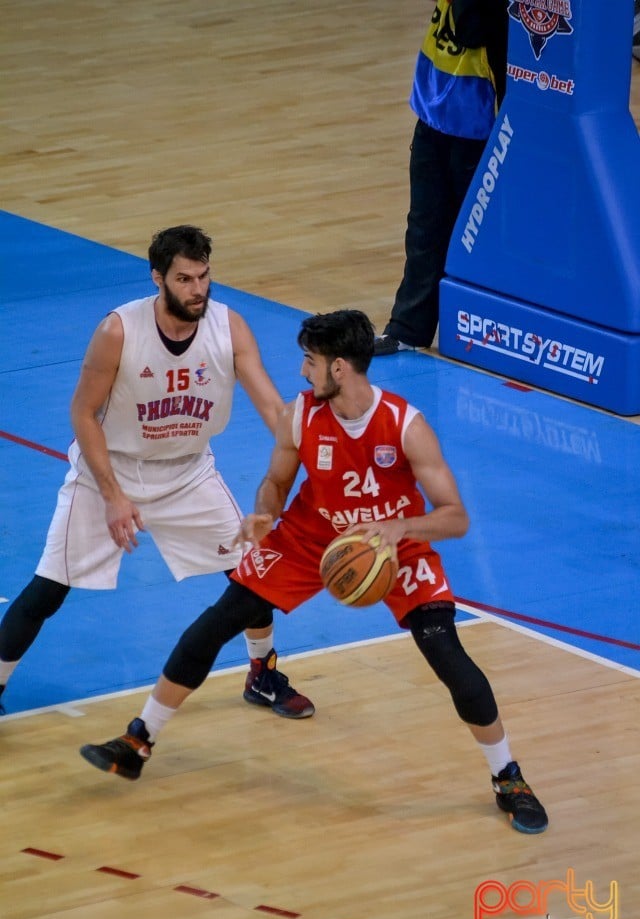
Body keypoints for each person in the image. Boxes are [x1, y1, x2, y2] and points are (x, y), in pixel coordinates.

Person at [81, 308, 548, 835]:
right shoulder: (298, 416)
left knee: (445, 650)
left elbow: (455, 517)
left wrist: (401, 528)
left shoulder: (405, 426)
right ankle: (139, 739)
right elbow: (276, 482)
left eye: (311, 361)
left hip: (394, 546)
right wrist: (262, 513)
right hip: (308, 537)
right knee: (217, 621)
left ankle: (508, 777)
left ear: (341, 367)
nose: (304, 372)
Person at [0, 225, 313, 720]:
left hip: (188, 473)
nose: (198, 290)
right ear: (157, 278)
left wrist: (315, 449)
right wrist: (112, 496)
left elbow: (276, 411)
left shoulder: (229, 328)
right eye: (185, 279)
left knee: (253, 576)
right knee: (49, 588)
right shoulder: (118, 331)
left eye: (204, 276)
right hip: (111, 470)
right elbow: (83, 414)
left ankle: (263, 673)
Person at [374, 0, 508, 355]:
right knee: (423, 226)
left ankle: (478, 331)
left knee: (473, 235)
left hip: (476, 132)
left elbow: (471, 28)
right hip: (433, 119)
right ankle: (408, 329)